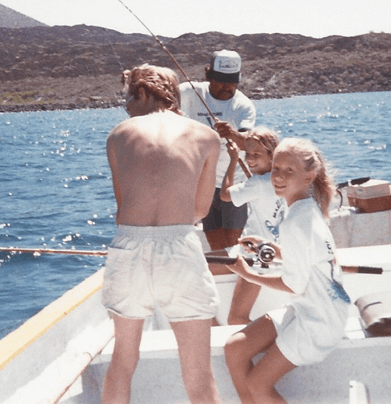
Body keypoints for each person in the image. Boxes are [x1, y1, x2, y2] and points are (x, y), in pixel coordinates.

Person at [103, 64, 222, 404]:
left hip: (130, 246)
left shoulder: (118, 135)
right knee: (199, 374)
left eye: (129, 97)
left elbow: (122, 208)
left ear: (142, 93)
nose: (126, 106)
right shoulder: (207, 137)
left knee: (122, 362)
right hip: (181, 248)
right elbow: (200, 211)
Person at [224, 138, 351, 404]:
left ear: (309, 176)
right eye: (276, 169)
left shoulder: (296, 220)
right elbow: (305, 258)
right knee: (236, 348)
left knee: (257, 385)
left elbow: (293, 285)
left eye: (289, 171)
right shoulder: (307, 207)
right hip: (312, 307)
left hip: (319, 320)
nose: (278, 177)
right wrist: (269, 247)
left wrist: (247, 273)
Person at [179, 49, 257, 251]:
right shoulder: (190, 92)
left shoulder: (243, 105)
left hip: (233, 183)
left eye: (232, 81)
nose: (227, 87)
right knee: (215, 242)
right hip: (203, 182)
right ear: (208, 75)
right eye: (221, 80)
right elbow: (160, 92)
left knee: (234, 244)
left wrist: (231, 133)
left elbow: (248, 143)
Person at [219, 126, 285, 325]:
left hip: (255, 257)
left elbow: (224, 194)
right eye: (247, 154)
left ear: (272, 155)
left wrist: (233, 160)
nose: (249, 159)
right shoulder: (281, 179)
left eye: (257, 154)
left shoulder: (257, 183)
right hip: (275, 253)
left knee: (236, 319)